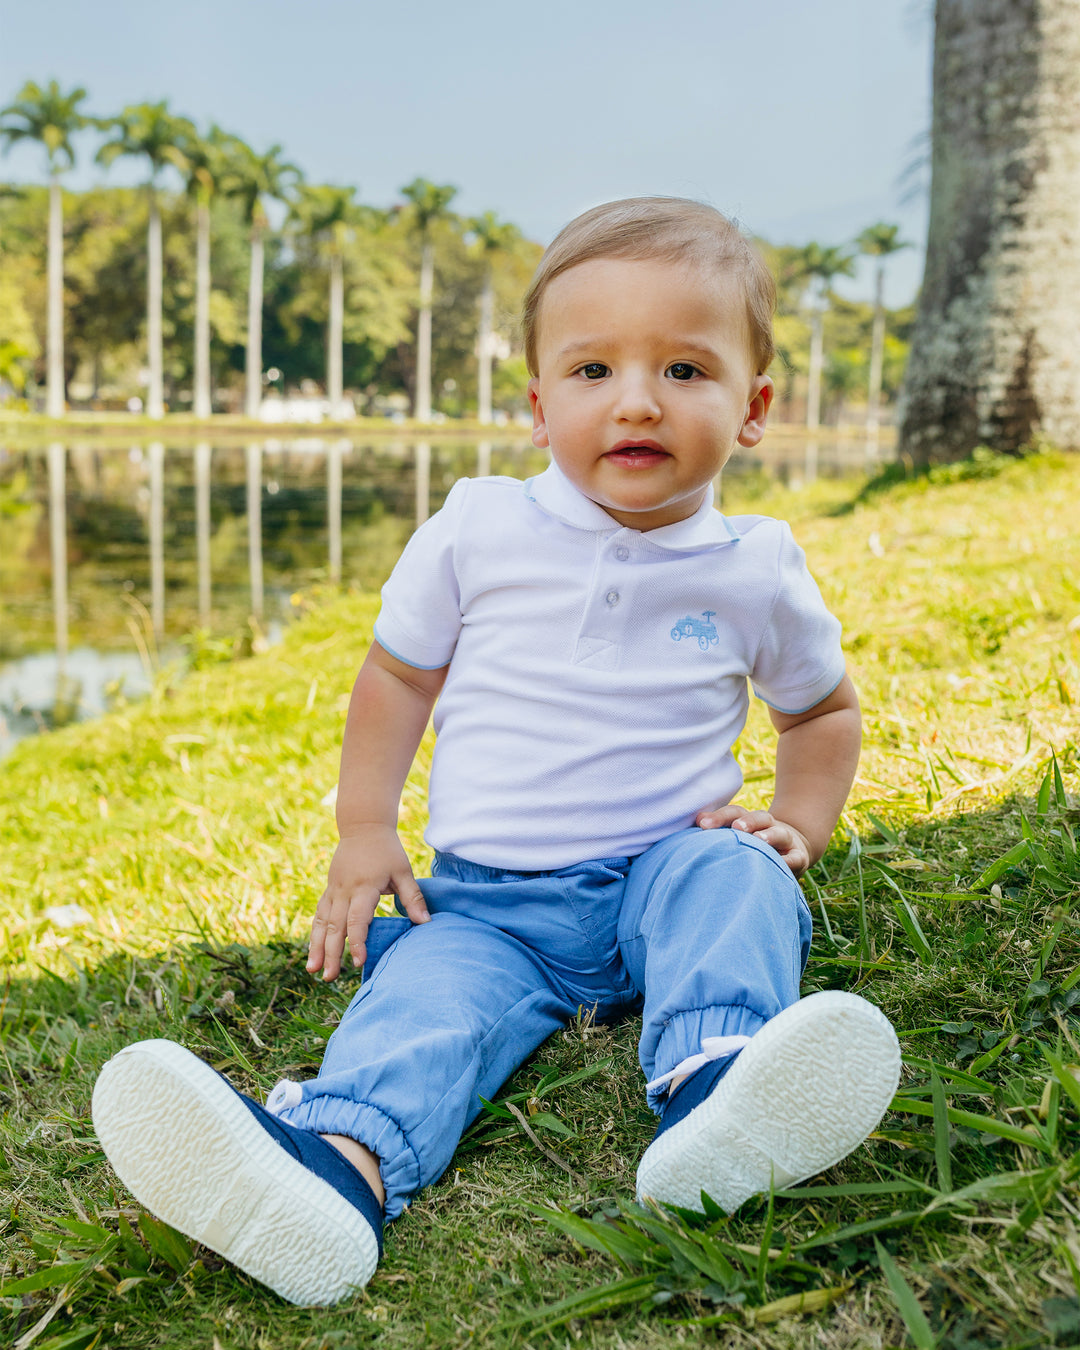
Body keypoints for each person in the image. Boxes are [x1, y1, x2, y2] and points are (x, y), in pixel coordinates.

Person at [92, 197, 901, 1307]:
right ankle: (335, 1173)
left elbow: (821, 712)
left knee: (735, 879)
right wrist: (365, 830)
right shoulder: (478, 529)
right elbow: (397, 675)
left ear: (753, 407)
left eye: (682, 370)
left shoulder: (755, 566)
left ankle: (720, 1092)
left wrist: (796, 825)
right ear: (535, 405)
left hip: (658, 876)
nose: (634, 400)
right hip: (482, 910)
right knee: (426, 1008)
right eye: (591, 371)